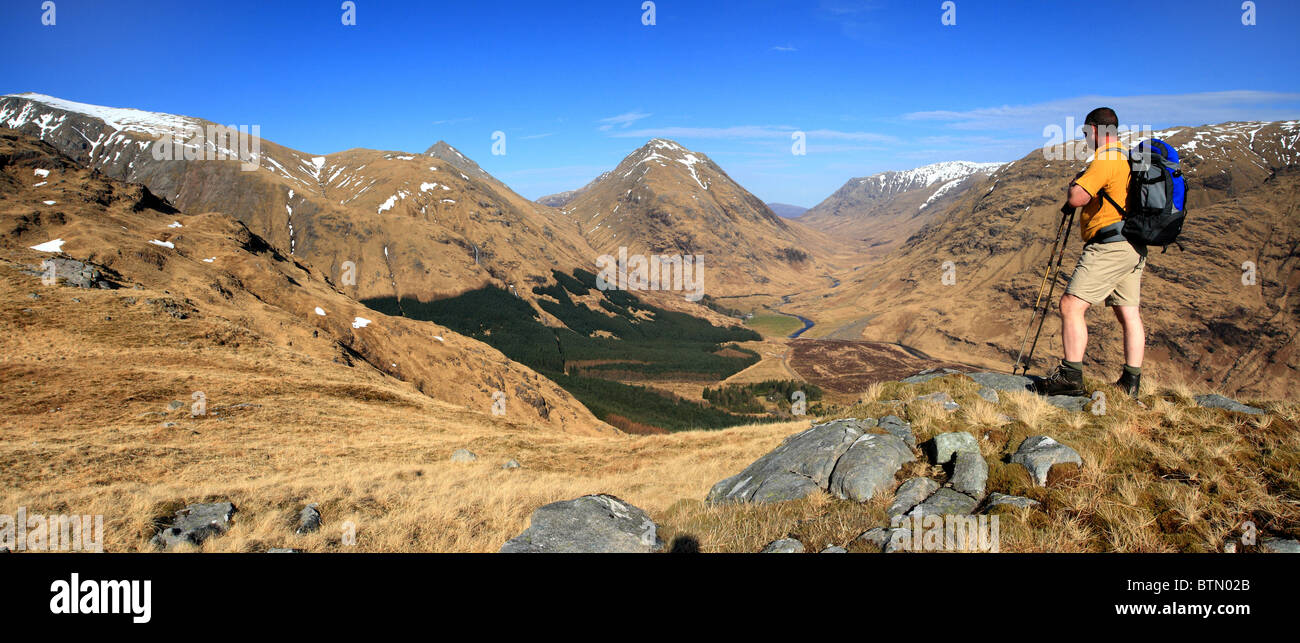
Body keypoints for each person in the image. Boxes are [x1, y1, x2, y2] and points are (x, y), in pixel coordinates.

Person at [1035, 107, 1146, 399]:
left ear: (1096, 129)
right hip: (1133, 246)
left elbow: (1077, 197)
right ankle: (1131, 383)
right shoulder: (1126, 156)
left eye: (1086, 133)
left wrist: (1075, 183)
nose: (1085, 138)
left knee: (1071, 305)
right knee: (1128, 313)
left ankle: (1071, 377)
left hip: (1109, 246)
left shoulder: (1107, 158)